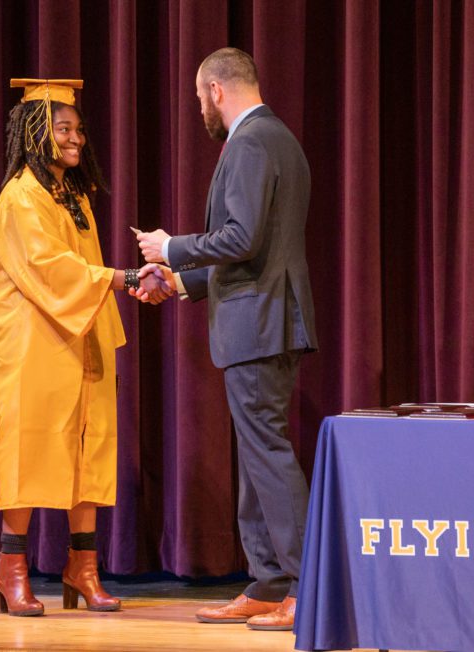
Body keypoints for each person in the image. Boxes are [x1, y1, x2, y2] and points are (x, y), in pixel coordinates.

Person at [135, 48, 317, 631]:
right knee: (256, 455)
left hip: (260, 325)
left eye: (197, 97)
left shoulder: (252, 141)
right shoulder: (275, 138)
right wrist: (182, 282)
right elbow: (255, 250)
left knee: (267, 452)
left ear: (216, 90)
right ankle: (269, 582)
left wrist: (172, 248)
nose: (199, 109)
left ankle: (306, 587)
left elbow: (240, 237)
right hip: (261, 319)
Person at [0, 78, 171, 617]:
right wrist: (127, 276)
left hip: (81, 332)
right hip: (33, 341)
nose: (76, 139)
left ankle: (82, 566)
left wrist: (126, 281)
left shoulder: (72, 195)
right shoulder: (21, 196)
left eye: (79, 129)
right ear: (35, 133)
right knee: (29, 447)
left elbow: (83, 273)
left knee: (88, 450)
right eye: (63, 129)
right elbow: (52, 271)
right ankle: (11, 568)